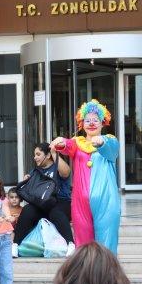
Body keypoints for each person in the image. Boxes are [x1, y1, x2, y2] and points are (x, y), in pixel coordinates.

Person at [52, 100, 121, 252]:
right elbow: (66, 145)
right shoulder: (78, 142)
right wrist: (60, 142)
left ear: (103, 122)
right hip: (80, 202)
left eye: (95, 120)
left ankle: (107, 274)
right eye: (87, 120)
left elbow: (111, 150)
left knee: (106, 242)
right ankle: (85, 274)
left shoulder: (110, 140)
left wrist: (101, 142)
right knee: (83, 244)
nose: (91, 123)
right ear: (82, 123)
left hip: (106, 200)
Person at [13, 143, 74, 256]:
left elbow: (66, 172)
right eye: (34, 155)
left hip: (61, 203)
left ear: (47, 155)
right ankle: (15, 244)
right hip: (42, 205)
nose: (35, 157)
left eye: (38, 154)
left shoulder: (57, 167)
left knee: (56, 212)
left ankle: (70, 244)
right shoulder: (35, 171)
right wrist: (26, 181)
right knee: (27, 210)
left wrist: (54, 153)